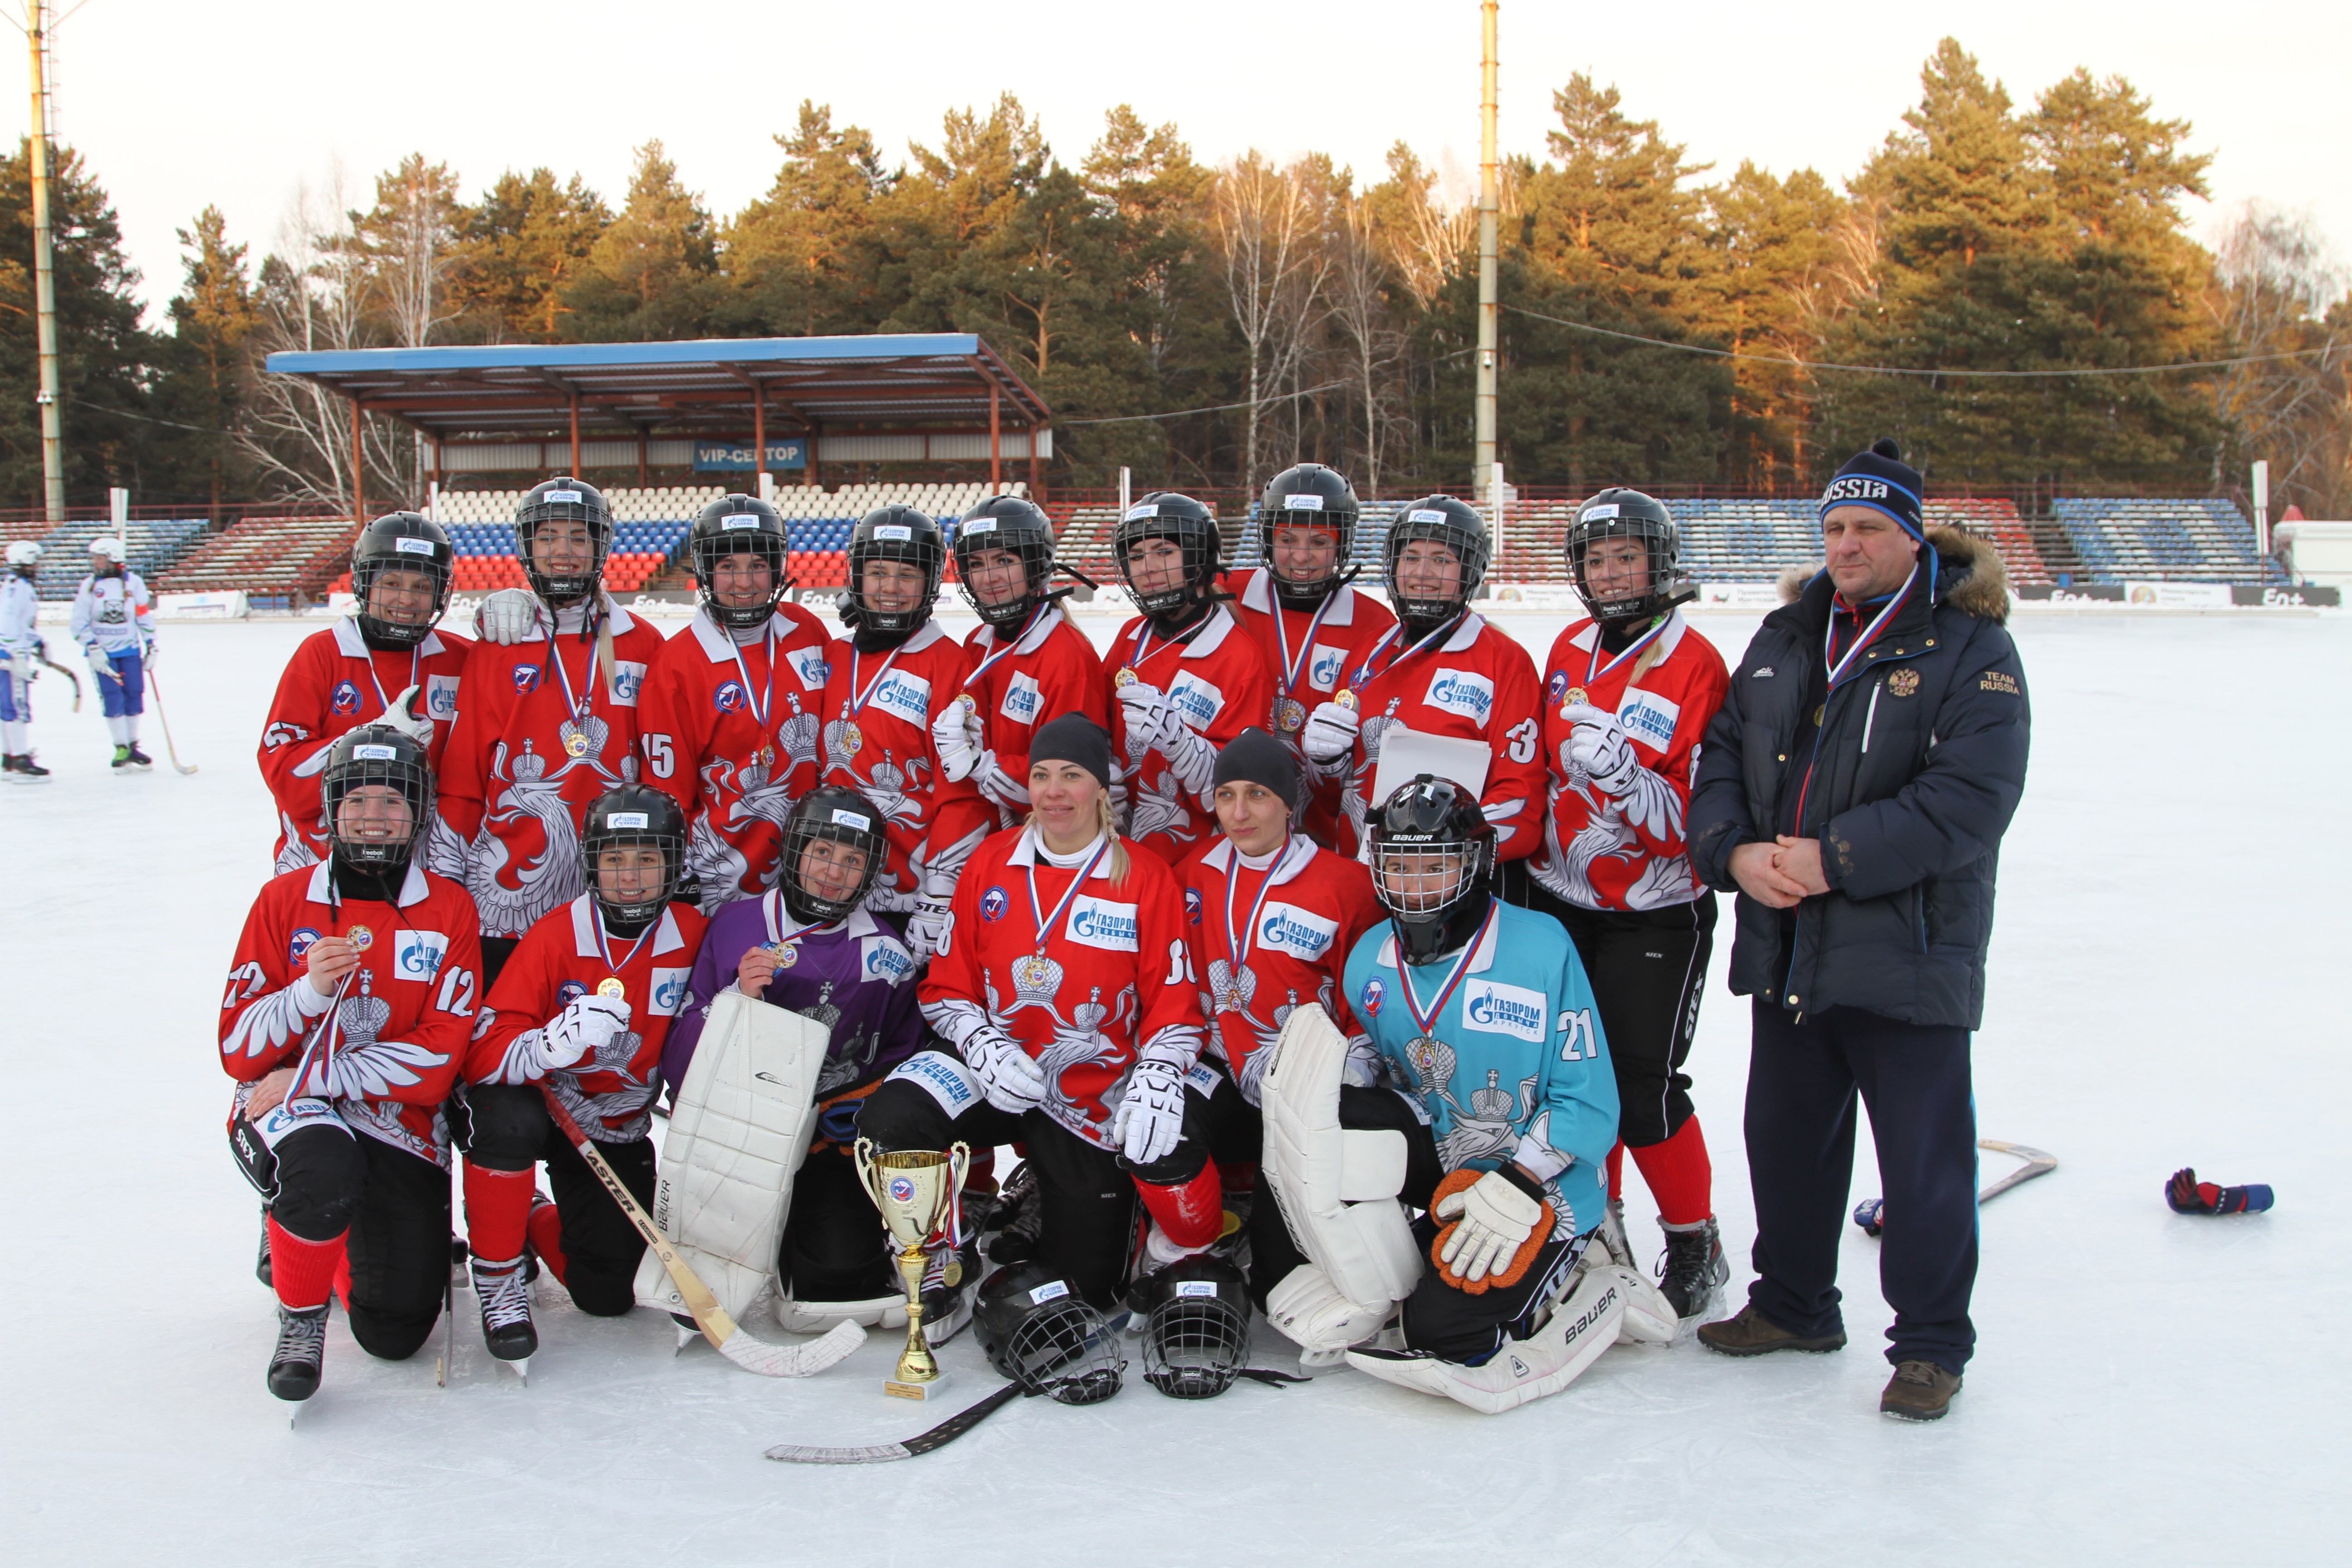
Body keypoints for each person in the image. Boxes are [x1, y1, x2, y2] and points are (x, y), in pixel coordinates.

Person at [1687, 438, 2029, 1423]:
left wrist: (1829, 859)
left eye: (1869, 527)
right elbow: (1723, 753)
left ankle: (1928, 1347)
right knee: (1783, 1140)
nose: (1847, 544)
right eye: (1834, 527)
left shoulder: (1970, 648)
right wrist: (1734, 856)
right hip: (1789, 939)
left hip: (1908, 948)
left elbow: (1969, 799)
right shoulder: (1789, 633)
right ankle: (1794, 1303)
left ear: (1913, 538)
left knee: (1922, 1160)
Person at [1256, 774, 1637, 1412]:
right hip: (1448, 1166)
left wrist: (1519, 1180)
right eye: (1398, 866)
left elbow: (1590, 1104)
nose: (1415, 886)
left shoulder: (1542, 949)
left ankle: (1585, 1264)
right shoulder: (1371, 956)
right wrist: (1340, 1074)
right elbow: (1385, 1068)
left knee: (1444, 1330)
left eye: (1435, 866)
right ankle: (1356, 1267)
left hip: (1538, 1183)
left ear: (1477, 863)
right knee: (1333, 1115)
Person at [858, 714, 1219, 1310]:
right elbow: (948, 989)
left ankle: (1045, 1195)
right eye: (1042, 775)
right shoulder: (992, 862)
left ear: (1101, 788)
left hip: (1086, 1094)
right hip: (994, 1068)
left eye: (1072, 776)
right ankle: (940, 1258)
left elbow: (1174, 1009)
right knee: (895, 1117)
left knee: (1088, 1293)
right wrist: (981, 1043)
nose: (1054, 791)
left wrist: (1158, 1074)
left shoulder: (1144, 877)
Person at [218, 725, 485, 1401]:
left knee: (395, 1332)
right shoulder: (284, 900)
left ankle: (317, 1245)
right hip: (289, 1109)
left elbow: (435, 1060)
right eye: (358, 800)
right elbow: (237, 1049)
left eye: (393, 802)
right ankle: (300, 1314)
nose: (375, 817)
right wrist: (305, 993)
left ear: (419, 812)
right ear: (332, 809)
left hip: (395, 1117)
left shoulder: (450, 908)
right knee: (323, 1170)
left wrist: (315, 1072)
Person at [1521, 488, 1733, 1326]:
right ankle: (1593, 1234)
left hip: (1653, 906)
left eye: (1625, 558)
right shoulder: (1568, 646)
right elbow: (1537, 770)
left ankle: (1692, 1239)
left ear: (1658, 562)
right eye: (1595, 560)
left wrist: (1627, 779)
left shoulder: (1695, 664)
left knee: (1641, 1089)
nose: (1609, 575)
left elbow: (1699, 821)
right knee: (1572, 1079)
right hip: (1561, 895)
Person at [662, 786, 937, 1333]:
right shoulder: (736, 926)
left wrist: (852, 1119)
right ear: (793, 851)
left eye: (853, 860)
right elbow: (679, 1061)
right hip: (740, 1140)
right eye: (822, 852)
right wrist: (736, 1004)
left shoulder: (887, 956)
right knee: (696, 1303)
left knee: (837, 1281)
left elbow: (901, 1065)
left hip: (824, 1144)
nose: (835, 872)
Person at [455, 785, 708, 1365]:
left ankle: (533, 1212)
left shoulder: (693, 933)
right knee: (503, 1119)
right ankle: (498, 1254)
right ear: (591, 863)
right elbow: (484, 1051)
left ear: (673, 862)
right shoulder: (555, 933)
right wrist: (550, 1043)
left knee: (608, 1293)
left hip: (612, 1127)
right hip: (543, 1109)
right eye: (614, 859)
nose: (630, 877)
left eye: (647, 859)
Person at [1176, 727, 1382, 1303]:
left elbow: (1366, 1001)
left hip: (1304, 1087)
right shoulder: (1196, 873)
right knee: (1165, 1126)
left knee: (1277, 1279)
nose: (1239, 814)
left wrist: (1352, 1072)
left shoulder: (1346, 885)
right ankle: (1189, 1246)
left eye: (1258, 795)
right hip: (1223, 1068)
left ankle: (1273, 1234)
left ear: (1289, 802)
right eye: (1226, 796)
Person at [434, 477, 668, 985]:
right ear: (527, 548)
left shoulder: (643, 643)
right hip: (508, 896)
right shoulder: (497, 646)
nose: (564, 553)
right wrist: (444, 881)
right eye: (548, 538)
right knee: (507, 1037)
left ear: (601, 548)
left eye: (579, 538)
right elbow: (463, 778)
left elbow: (661, 773)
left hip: (617, 887)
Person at [1297, 495, 1544, 867]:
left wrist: (1437, 848)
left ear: (1470, 572)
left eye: (1441, 560)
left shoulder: (1505, 662)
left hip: (1445, 883)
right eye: (1410, 558)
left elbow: (1520, 802)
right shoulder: (1369, 651)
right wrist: (1326, 764)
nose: (1421, 573)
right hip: (1362, 873)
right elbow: (1337, 799)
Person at [637, 494, 832, 909]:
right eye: (728, 568)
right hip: (722, 881)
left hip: (815, 873)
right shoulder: (675, 665)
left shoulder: (808, 631)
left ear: (776, 569)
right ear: (706, 572)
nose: (745, 583)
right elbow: (667, 794)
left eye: (757, 566)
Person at [817, 505, 989, 965]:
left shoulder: (949, 665)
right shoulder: (831, 656)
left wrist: (938, 895)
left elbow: (963, 794)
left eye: (907, 574)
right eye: (877, 573)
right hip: (828, 884)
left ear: (931, 582)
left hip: (905, 896)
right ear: (856, 576)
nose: (891, 588)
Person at [259, 513, 471, 872]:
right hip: (328, 869)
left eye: (422, 587)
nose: (406, 600)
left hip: (430, 875)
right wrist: (378, 741)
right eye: (391, 583)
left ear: (440, 594)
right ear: (365, 584)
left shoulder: (462, 659)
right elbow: (287, 777)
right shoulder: (321, 655)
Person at [1225, 464, 1397, 845]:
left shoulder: (1376, 624)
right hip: (1237, 815)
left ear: (1342, 544)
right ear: (1268, 540)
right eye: (1288, 539)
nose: (1301, 557)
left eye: (1319, 542)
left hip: (1327, 825)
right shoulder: (1225, 597)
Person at [1102, 492, 1275, 863]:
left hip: (1192, 866)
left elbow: (1235, 795)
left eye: (1164, 552)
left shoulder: (1239, 658)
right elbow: (1099, 730)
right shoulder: (1131, 637)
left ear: (1200, 560)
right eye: (1135, 556)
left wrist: (1180, 743)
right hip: (1117, 856)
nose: (1146, 568)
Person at [932, 494, 1109, 834]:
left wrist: (977, 765)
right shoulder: (977, 642)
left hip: (1046, 842)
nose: (989, 578)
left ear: (1036, 566)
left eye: (1004, 560)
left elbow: (1069, 780)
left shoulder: (1067, 659)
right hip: (987, 837)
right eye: (977, 564)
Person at [70, 534, 156, 772]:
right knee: (112, 697)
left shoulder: (133, 583)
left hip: (129, 650)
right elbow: (78, 622)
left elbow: (142, 614)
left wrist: (152, 643)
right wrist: (91, 646)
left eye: (100, 558)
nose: (95, 563)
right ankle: (120, 746)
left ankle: (133, 745)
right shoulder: (89, 585)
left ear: (114, 559)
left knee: (134, 694)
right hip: (103, 654)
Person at [1, 539, 48, 780]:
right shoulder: (18, 588)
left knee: (7, 708)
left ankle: (8, 758)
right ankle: (19, 759)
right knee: (16, 707)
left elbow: (22, 625)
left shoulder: (14, 585)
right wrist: (17, 653)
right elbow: (9, 624)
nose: (38, 566)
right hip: (10, 657)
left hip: (10, 653)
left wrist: (38, 642)